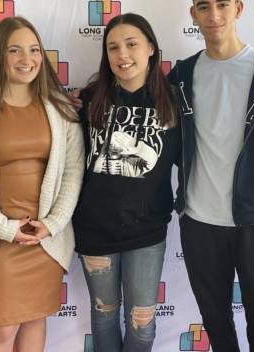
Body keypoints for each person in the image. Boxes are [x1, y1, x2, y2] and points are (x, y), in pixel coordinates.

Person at [168, 1, 254, 351]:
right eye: (204, 6)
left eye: (222, 4)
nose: (214, 15)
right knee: (216, 325)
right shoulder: (180, 76)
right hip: (199, 222)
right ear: (193, 14)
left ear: (238, 9)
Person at [0, 16, 84, 352]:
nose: (27, 58)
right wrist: (4, 227)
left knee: (36, 320)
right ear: (0, 56)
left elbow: (73, 172)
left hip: (45, 241)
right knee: (3, 330)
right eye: (15, 50)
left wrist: (51, 225)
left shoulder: (61, 109)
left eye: (34, 49)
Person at [73, 13, 180, 352]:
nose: (123, 55)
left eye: (132, 44)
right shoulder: (90, 100)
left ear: (151, 47)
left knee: (142, 323)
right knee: (104, 316)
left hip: (147, 232)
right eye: (113, 48)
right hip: (94, 229)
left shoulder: (175, 102)